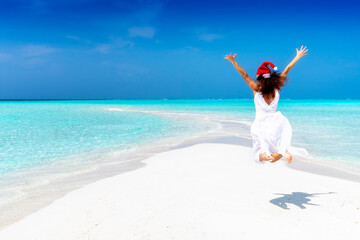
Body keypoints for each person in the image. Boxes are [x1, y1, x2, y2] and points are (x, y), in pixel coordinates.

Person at [224, 46, 308, 163]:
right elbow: (286, 70)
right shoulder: (276, 88)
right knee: (277, 142)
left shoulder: (256, 89)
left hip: (261, 122)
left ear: (259, 78)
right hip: (276, 121)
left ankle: (263, 155)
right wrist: (297, 56)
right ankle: (284, 152)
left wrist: (233, 62)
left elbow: (245, 75)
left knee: (258, 147)